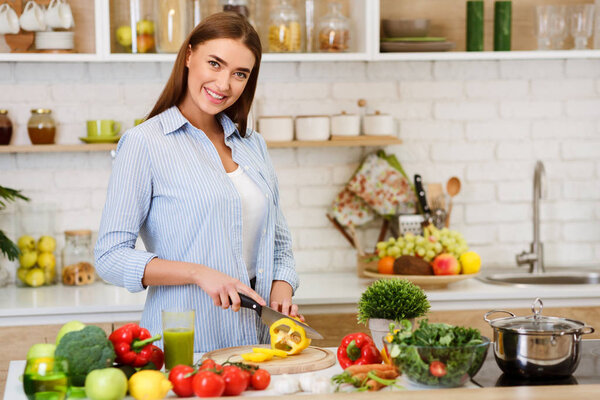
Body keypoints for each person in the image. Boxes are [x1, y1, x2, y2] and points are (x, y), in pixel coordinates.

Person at [94, 12, 299, 352]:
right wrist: (197, 272)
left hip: (263, 340)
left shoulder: (253, 145)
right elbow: (110, 258)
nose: (224, 85)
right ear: (189, 56)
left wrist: (282, 289)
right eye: (215, 64)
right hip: (188, 342)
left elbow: (278, 242)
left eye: (239, 74)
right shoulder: (144, 143)